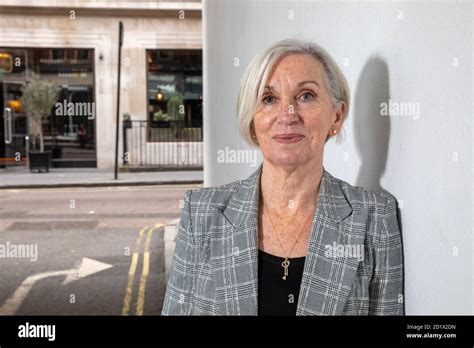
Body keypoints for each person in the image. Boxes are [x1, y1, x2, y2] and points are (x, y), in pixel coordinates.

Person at [162, 39, 404, 316]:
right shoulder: (202, 212)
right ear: (252, 121)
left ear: (336, 117)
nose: (287, 115)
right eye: (268, 99)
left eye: (306, 96)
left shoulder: (374, 216)